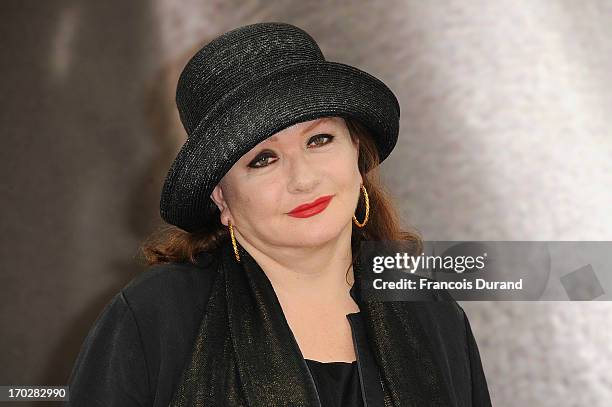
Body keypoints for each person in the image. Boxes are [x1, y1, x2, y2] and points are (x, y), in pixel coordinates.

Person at [67, 22, 492, 407]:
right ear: (221, 198)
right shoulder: (154, 316)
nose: (303, 180)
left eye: (319, 139)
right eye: (263, 159)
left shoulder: (433, 312)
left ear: (357, 154)